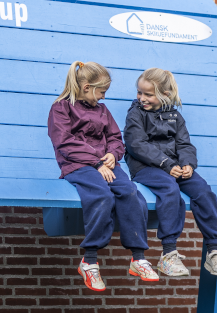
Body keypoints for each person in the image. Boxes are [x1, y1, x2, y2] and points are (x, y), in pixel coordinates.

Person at [47, 61, 159, 291]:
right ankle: (89, 261)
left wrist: (112, 154)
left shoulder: (102, 111)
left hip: (104, 165)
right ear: (87, 87)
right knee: (102, 196)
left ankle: (138, 258)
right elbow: (65, 143)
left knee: (129, 191)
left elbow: (116, 138)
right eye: (101, 92)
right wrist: (97, 162)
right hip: (78, 165)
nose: (103, 97)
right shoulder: (60, 108)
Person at [124, 68, 217, 277]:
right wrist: (165, 163)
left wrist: (188, 163)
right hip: (146, 167)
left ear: (165, 94)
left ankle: (214, 249)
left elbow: (184, 144)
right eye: (139, 93)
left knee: (203, 191)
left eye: (148, 94)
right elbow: (136, 144)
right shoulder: (136, 113)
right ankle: (169, 253)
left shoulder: (175, 116)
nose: (142, 98)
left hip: (173, 166)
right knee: (169, 188)